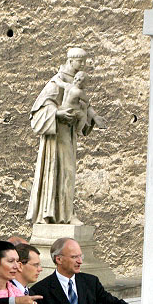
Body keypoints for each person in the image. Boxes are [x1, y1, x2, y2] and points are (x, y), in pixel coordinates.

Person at [26, 47, 106, 225]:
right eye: (80, 61)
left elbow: (85, 103)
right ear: (71, 61)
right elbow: (40, 107)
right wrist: (56, 114)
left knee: (68, 173)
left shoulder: (75, 82)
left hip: (68, 134)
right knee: (57, 171)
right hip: (55, 136)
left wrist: (94, 117)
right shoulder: (57, 81)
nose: (83, 65)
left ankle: (66, 214)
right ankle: (52, 213)